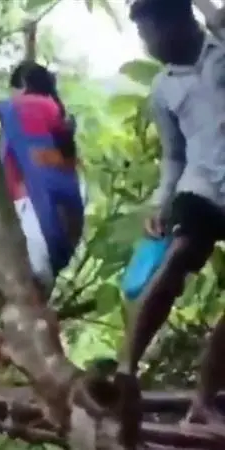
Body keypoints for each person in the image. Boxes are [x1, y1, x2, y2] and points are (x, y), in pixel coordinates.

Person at [117, 0, 225, 425]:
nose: (148, 43)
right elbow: (173, 156)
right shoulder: (162, 90)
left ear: (182, 21)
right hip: (198, 186)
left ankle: (204, 397)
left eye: (151, 31)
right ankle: (126, 371)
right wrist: (159, 203)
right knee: (178, 255)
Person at [0, 61, 83, 383]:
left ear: (22, 86)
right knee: (19, 288)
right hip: (58, 213)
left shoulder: (31, 106)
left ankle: (53, 368)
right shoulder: (54, 114)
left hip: (38, 209)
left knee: (27, 289)